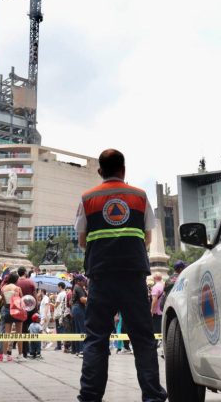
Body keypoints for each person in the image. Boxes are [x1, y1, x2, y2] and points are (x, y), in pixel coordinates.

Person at [75, 149, 167, 402]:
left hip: (101, 275)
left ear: (100, 171)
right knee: (143, 338)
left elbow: (82, 240)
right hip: (133, 274)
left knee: (96, 338)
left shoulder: (87, 198)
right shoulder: (139, 196)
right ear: (123, 169)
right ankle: (152, 396)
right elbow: (148, 236)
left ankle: (90, 396)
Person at [0, 272, 25, 362]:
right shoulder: (18, 288)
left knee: (6, 334)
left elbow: (3, 300)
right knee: (19, 334)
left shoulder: (3, 288)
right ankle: (20, 354)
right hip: (17, 310)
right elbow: (21, 300)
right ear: (16, 280)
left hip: (7, 310)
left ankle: (4, 355)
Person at [16, 266, 36, 358]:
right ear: (24, 272)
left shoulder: (16, 282)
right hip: (31, 308)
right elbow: (35, 296)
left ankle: (23, 351)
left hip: (20, 308)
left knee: (22, 330)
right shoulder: (30, 282)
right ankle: (32, 350)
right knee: (31, 329)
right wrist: (36, 308)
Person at [150, 274, 165, 339]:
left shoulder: (155, 287)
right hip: (163, 310)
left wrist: (152, 310)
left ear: (154, 278)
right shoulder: (163, 286)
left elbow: (154, 300)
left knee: (156, 329)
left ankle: (156, 343)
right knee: (162, 327)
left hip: (157, 311)